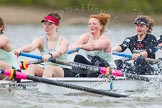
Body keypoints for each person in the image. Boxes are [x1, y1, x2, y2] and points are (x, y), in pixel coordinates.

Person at [14, 12, 70, 78]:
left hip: (62, 70)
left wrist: (50, 55)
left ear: (56, 25)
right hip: (47, 69)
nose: (46, 26)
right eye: (45, 23)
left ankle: (43, 88)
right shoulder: (41, 40)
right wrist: (20, 49)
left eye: (50, 24)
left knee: (49, 68)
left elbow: (59, 52)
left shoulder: (64, 41)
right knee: (32, 66)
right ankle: (29, 87)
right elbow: (31, 47)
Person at [69, 13, 116, 77]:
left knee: (95, 59)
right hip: (93, 68)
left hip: (108, 69)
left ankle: (88, 79)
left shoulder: (105, 40)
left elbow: (93, 47)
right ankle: (73, 78)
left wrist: (80, 46)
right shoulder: (86, 37)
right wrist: (59, 52)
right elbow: (73, 47)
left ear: (100, 26)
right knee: (78, 58)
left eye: (94, 24)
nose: (91, 25)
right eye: (90, 24)